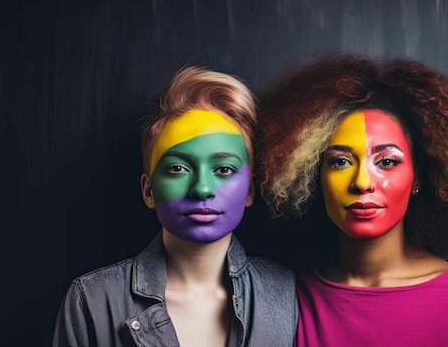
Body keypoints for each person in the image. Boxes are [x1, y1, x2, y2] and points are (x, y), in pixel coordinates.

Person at [255, 54, 448, 346]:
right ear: (311, 175)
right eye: (340, 162)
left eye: (386, 162)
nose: (362, 182)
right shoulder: (281, 300)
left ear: (418, 178)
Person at [53, 66, 298, 347]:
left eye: (224, 169)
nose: (202, 188)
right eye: (178, 168)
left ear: (250, 190)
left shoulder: (286, 294)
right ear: (148, 191)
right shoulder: (91, 301)